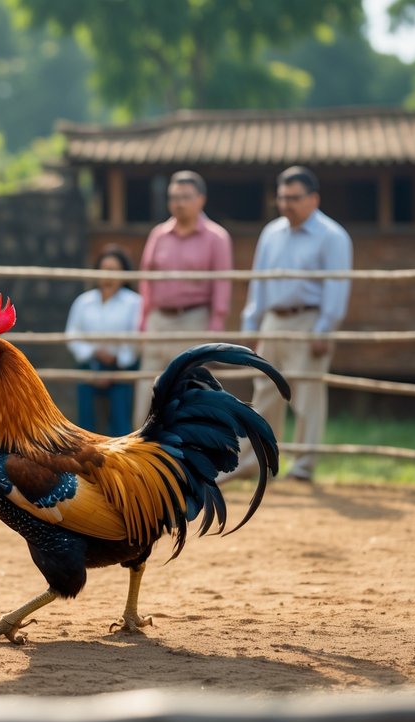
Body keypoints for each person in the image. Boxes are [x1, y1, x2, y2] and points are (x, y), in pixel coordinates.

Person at [227, 166, 351, 484]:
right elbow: (259, 282)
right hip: (273, 320)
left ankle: (304, 466)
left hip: (309, 320)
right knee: (265, 391)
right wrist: (251, 325)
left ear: (313, 199)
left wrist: (326, 328)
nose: (286, 204)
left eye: (294, 198)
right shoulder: (271, 232)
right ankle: (255, 462)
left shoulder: (332, 236)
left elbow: (337, 287)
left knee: (307, 395)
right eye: (282, 198)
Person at [135, 170, 233, 424]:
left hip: (194, 319)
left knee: (189, 389)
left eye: (185, 197)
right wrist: (143, 321)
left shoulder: (216, 237)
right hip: (158, 319)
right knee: (147, 387)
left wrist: (215, 327)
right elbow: (146, 279)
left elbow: (222, 285)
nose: (178, 203)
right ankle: (139, 455)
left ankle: (189, 454)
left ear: (201, 199)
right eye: (173, 197)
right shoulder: (159, 234)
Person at [65, 245, 142, 436]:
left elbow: (136, 338)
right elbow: (72, 334)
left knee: (120, 421)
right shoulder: (84, 302)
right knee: (85, 421)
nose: (108, 275)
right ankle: (84, 457)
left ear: (124, 275)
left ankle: (122, 460)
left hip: (122, 367)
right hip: (90, 365)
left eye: (114, 270)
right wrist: (93, 353)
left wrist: (117, 362)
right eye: (104, 269)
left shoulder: (135, 302)